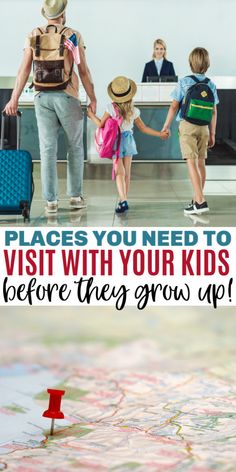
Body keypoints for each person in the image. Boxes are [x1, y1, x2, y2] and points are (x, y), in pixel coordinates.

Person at [4, 0, 97, 214]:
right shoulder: (73, 34)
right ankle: (75, 197)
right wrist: (92, 97)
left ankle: (51, 202)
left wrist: (14, 98)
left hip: (42, 96)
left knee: (47, 149)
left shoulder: (33, 34)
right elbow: (83, 71)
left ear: (46, 14)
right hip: (67, 95)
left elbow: (23, 71)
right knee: (74, 147)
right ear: (64, 13)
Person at [87, 76, 168, 213]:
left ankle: (123, 200)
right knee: (127, 174)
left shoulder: (110, 108)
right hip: (129, 141)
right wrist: (160, 134)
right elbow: (144, 128)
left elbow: (101, 124)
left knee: (119, 173)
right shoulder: (134, 110)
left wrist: (90, 115)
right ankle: (123, 199)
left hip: (116, 143)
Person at [162, 47, 219, 215]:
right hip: (204, 127)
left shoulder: (184, 82)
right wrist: (213, 133)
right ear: (207, 64)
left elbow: (174, 106)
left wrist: (166, 125)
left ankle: (200, 201)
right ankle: (196, 199)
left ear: (190, 63)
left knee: (191, 162)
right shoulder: (211, 84)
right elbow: (214, 111)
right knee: (201, 163)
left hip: (187, 125)